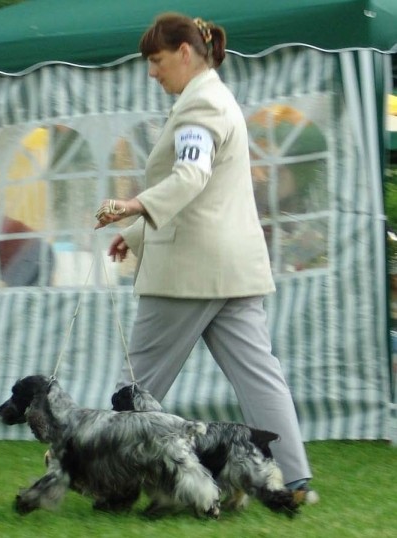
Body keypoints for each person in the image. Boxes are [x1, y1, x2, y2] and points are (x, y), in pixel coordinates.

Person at [95, 13, 318, 503]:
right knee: (260, 376)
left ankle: (114, 482)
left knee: (136, 385)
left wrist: (133, 205)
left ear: (184, 53)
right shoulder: (217, 100)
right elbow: (208, 195)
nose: (152, 73)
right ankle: (294, 480)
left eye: (156, 61)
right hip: (233, 267)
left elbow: (190, 179)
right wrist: (136, 233)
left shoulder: (199, 108)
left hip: (189, 274)